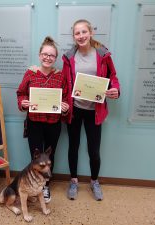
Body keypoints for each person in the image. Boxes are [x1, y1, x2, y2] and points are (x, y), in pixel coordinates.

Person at [62, 19, 120, 201]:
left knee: (94, 150)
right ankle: (73, 181)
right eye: (77, 33)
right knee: (73, 147)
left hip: (95, 110)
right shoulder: (68, 57)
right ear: (74, 36)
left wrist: (115, 90)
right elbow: (64, 82)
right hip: (75, 109)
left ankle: (94, 181)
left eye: (83, 32)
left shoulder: (103, 55)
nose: (81, 36)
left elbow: (113, 77)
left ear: (91, 32)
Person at [16, 36, 69, 203]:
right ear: (39, 55)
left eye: (51, 55)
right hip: (34, 122)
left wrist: (65, 106)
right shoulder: (30, 73)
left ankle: (45, 186)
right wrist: (23, 103)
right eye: (45, 54)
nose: (47, 58)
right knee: (36, 156)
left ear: (55, 58)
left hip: (53, 123)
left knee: (50, 156)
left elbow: (66, 97)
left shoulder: (60, 77)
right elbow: (21, 93)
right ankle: (34, 186)